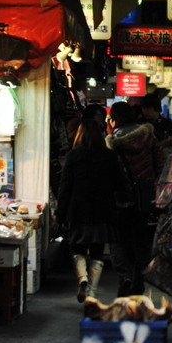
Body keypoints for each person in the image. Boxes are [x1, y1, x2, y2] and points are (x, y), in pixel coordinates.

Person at [55, 105, 118, 303]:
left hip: (78, 209)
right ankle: (92, 293)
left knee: (77, 248)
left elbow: (65, 187)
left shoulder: (74, 156)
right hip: (103, 209)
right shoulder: (109, 156)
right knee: (98, 251)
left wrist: (60, 212)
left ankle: (82, 279)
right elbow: (118, 183)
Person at [106, 100, 164, 296]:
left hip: (121, 200)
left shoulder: (112, 142)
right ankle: (140, 276)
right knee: (141, 239)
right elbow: (161, 165)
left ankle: (125, 276)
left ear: (114, 120)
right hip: (145, 197)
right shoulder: (149, 136)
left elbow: (111, 174)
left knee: (118, 240)